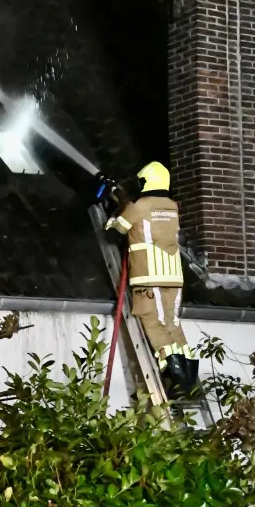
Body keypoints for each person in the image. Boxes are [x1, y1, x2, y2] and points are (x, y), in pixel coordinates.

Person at [103, 161, 199, 398]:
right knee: (172, 324)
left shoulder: (140, 206)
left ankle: (173, 377)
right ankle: (189, 379)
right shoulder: (172, 207)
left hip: (148, 276)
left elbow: (115, 232)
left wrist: (115, 212)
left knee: (153, 322)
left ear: (146, 181)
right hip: (173, 277)